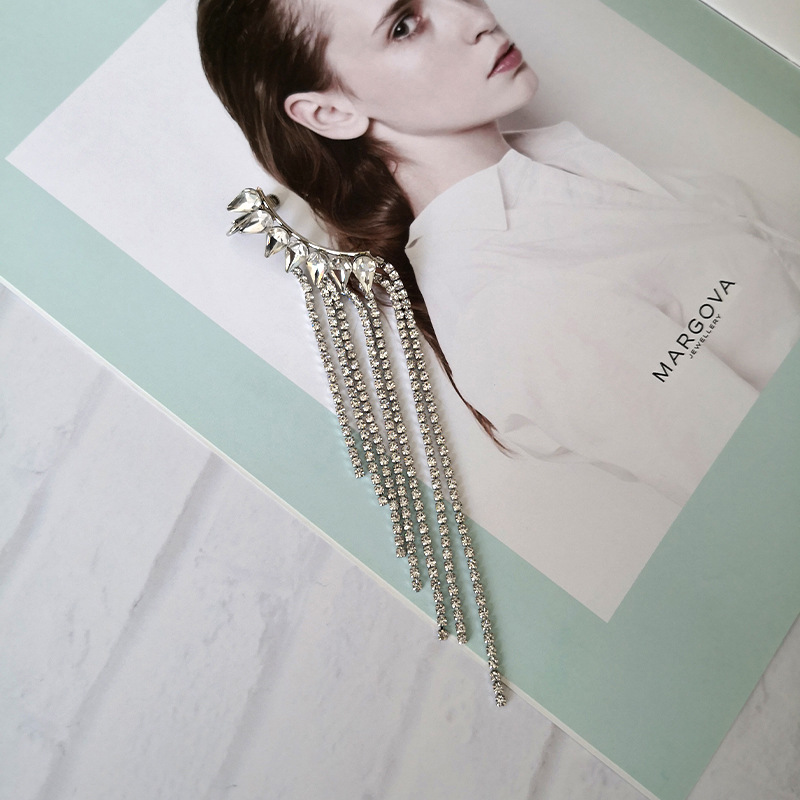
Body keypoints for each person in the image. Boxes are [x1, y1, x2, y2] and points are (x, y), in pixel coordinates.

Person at [197, 0, 800, 505]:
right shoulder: (518, 304)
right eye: (403, 24)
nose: (474, 16)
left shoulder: (554, 167)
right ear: (331, 111)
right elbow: (772, 492)